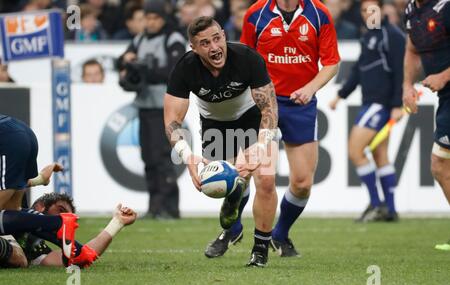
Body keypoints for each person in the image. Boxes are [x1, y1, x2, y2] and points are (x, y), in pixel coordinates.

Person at [164, 16, 279, 267]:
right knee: (227, 182)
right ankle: (231, 229)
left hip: (253, 117)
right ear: (194, 49)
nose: (214, 47)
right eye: (204, 43)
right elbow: (172, 120)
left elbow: (269, 109)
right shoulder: (185, 68)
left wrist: (260, 146)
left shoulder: (247, 58)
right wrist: (187, 155)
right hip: (215, 123)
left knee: (267, 180)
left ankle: (260, 248)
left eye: (217, 38)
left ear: (224, 36)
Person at [239, 0, 340, 257]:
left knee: (303, 181)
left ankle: (280, 233)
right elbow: (242, 58)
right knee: (265, 179)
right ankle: (256, 243)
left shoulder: (319, 14)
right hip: (264, 105)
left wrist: (310, 88)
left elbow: (331, 63)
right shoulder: (255, 14)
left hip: (300, 104)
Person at [329, 0, 405, 222]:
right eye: (364, 10)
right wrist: (341, 95)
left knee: (355, 150)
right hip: (371, 102)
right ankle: (390, 210)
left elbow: (401, 72)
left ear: (382, 10)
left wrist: (397, 105)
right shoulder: (368, 36)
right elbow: (358, 71)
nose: (367, 14)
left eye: (372, 9)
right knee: (380, 155)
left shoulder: (393, 35)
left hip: (379, 104)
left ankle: (375, 203)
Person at [118, 0, 186, 219]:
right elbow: (122, 61)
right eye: (148, 18)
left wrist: (145, 69)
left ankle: (169, 207)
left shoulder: (172, 38)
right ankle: (154, 206)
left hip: (164, 107)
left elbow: (175, 69)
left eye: (155, 18)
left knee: (162, 157)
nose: (151, 22)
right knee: (148, 157)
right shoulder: (139, 39)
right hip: (145, 106)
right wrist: (126, 62)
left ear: (163, 19)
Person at [402, 0, 450, 250]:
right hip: (446, 97)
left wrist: (443, 75)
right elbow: (411, 49)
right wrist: (407, 85)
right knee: (441, 165)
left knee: (440, 164)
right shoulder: (411, 10)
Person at [0, 114, 79, 263]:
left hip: (7, 137)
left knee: (10, 212)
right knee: (11, 209)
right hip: (21, 131)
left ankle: (58, 222)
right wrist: (40, 179)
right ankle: (77, 247)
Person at [1, 192, 137, 268]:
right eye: (60, 211)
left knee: (19, 258)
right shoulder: (13, 204)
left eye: (67, 216)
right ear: (40, 206)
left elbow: (78, 257)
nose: (64, 216)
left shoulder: (35, 246)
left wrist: (116, 224)